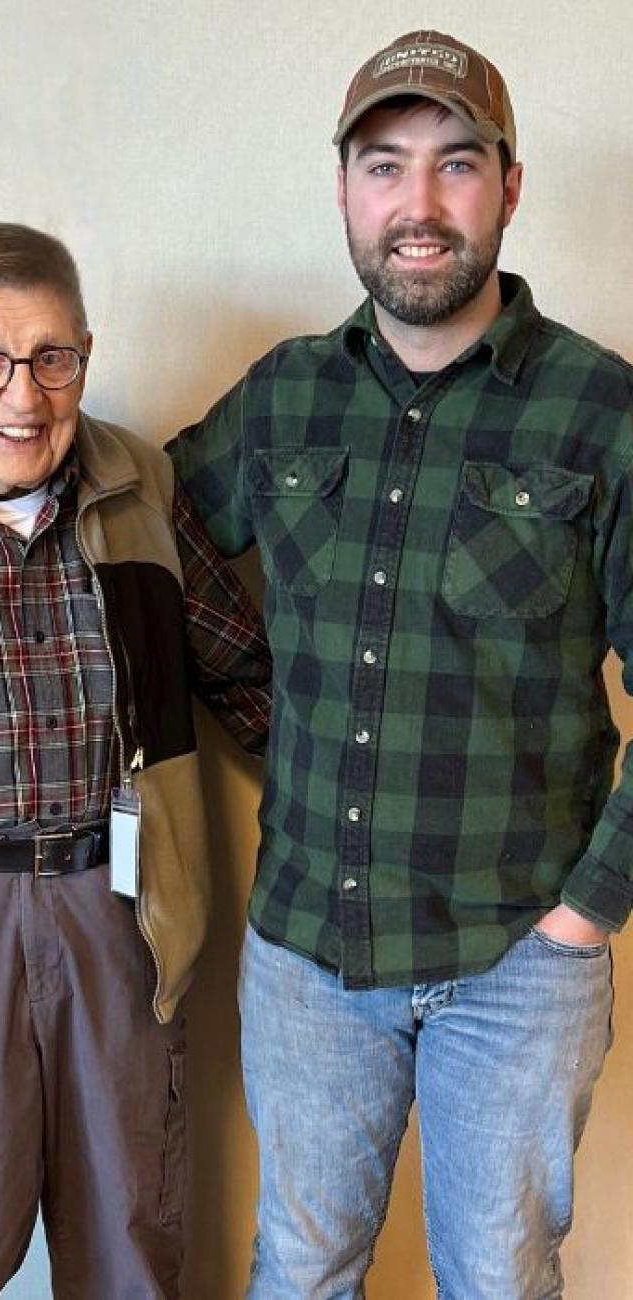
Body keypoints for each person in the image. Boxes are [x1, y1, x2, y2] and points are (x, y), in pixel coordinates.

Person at [168, 29, 633, 1299]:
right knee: (303, 1263)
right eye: (385, 167)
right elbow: (144, 530)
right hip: (309, 946)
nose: (417, 206)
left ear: (510, 186)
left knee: (497, 1274)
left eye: (455, 166)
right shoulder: (283, 399)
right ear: (345, 190)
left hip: (517, 959)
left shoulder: (603, 413)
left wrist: (590, 904)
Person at [0, 221, 270, 1299]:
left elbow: (245, 676)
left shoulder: (138, 485)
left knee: (128, 1247)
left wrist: (361, 810)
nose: (24, 397)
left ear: (85, 353)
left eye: (54, 358)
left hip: (118, 914)